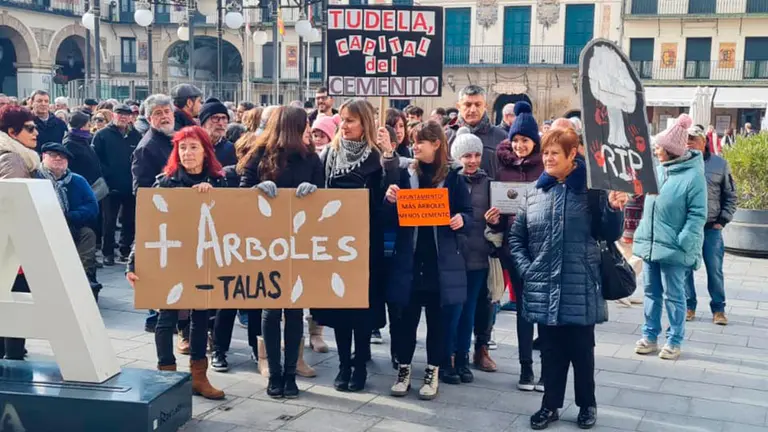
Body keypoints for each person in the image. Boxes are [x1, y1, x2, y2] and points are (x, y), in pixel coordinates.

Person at [509, 127, 626, 430]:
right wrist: (527, 270)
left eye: (554, 153)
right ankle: (550, 406)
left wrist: (614, 209)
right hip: (543, 286)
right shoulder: (534, 192)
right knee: (550, 352)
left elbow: (610, 234)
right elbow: (517, 239)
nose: (547, 158)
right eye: (545, 152)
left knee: (581, 353)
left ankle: (587, 404)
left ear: (572, 155)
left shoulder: (592, 191)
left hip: (581, 285)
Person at [126, 126, 226, 400]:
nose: (187, 153)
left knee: (200, 317)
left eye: (193, 147)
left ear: (205, 151)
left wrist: (211, 194)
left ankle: (198, 376)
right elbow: (147, 226)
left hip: (203, 259)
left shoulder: (219, 182)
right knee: (166, 316)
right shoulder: (165, 183)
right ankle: (166, 377)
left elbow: (231, 222)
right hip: (170, 258)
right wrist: (132, 264)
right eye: (182, 147)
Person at [239, 106, 324, 399]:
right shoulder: (258, 155)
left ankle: (291, 374)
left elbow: (326, 199)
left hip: (299, 243)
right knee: (271, 309)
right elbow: (239, 195)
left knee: (295, 308)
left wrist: (313, 191)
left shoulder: (311, 158)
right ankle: (274, 373)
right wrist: (256, 189)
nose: (308, 131)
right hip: (266, 243)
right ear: (291, 127)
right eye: (304, 126)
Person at [384, 120, 473, 401]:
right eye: (413, 141)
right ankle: (404, 369)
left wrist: (462, 219)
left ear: (436, 144)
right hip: (409, 262)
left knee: (438, 323)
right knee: (405, 321)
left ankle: (433, 370)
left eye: (420, 141)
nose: (415, 146)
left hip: (439, 264)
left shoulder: (455, 176)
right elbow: (388, 218)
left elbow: (468, 212)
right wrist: (389, 200)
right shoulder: (404, 173)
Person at [313, 99, 387, 393]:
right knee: (340, 308)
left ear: (364, 124)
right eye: (342, 120)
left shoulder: (377, 159)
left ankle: (359, 364)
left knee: (362, 309)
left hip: (366, 244)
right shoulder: (328, 155)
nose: (344, 126)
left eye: (351, 121)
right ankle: (344, 363)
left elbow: (383, 203)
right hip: (336, 243)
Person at [633, 114, 707, 361]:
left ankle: (674, 339)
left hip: (674, 246)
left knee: (674, 295)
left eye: (659, 147)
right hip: (652, 243)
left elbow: (698, 213)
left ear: (671, 150)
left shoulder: (693, 176)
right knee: (651, 293)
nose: (655, 150)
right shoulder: (658, 170)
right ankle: (650, 336)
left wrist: (684, 240)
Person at [491, 101, 545, 388]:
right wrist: (494, 220)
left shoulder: (545, 168)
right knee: (524, 308)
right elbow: (498, 208)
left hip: (542, 247)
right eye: (516, 140)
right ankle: (526, 367)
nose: (520, 146)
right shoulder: (502, 167)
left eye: (525, 140)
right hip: (514, 247)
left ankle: (547, 367)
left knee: (545, 309)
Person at [446, 127, 494, 386]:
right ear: (457, 157)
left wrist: (495, 223)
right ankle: (449, 356)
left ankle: (463, 357)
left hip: (478, 256)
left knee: (469, 312)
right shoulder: (451, 181)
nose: (472, 160)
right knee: (453, 311)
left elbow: (497, 222)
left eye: (476, 155)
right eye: (467, 156)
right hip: (454, 257)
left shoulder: (488, 183)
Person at [0, 105, 43, 360]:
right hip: (13, 245)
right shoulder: (12, 158)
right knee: (14, 297)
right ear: (12, 132)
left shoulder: (17, 155)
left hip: (12, 243)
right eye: (29, 128)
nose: (35, 132)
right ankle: (13, 354)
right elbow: (12, 204)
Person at [131, 94, 176, 334]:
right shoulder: (147, 146)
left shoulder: (173, 138)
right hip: (160, 217)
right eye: (158, 113)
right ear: (149, 118)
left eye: (167, 111)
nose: (164, 116)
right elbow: (140, 190)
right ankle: (155, 319)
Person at [685, 124, 737, 325]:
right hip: (688, 227)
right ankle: (689, 306)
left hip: (711, 227)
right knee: (685, 270)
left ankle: (718, 309)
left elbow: (731, 194)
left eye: (693, 139)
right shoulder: (680, 163)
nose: (689, 143)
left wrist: (722, 220)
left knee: (714, 269)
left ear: (704, 142)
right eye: (687, 139)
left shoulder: (720, 164)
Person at [39, 142, 100, 298]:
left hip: (71, 226)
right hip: (43, 228)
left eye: (63, 156)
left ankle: (83, 278)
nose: (59, 158)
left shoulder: (77, 180)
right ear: (43, 157)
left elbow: (92, 206)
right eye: (53, 155)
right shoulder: (36, 178)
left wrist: (71, 216)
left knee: (87, 234)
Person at [94, 104, 141, 266]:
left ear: (131, 117)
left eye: (127, 115)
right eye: (120, 114)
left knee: (129, 220)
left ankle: (125, 249)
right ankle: (107, 252)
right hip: (110, 186)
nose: (123, 117)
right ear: (113, 115)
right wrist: (105, 178)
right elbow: (96, 160)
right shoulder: (102, 135)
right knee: (109, 221)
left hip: (130, 185)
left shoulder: (136, 135)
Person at [446, 85, 507, 179]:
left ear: (485, 105)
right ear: (458, 106)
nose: (473, 110)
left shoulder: (501, 137)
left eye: (478, 104)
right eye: (468, 104)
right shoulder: (447, 136)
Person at [199, 98, 237, 167]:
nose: (221, 123)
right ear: (203, 123)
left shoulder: (231, 149)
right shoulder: (192, 145)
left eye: (224, 118)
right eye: (215, 118)